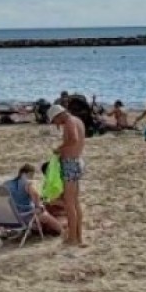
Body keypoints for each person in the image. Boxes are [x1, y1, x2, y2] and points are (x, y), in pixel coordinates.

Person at [52, 104, 86, 248]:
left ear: (59, 116)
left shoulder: (70, 122)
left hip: (70, 164)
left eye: (56, 121)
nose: (57, 124)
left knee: (69, 203)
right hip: (77, 161)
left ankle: (72, 238)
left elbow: (73, 139)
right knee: (75, 202)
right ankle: (78, 237)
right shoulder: (77, 120)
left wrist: (59, 148)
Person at [6, 164, 64, 237]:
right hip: (25, 216)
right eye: (32, 175)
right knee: (45, 215)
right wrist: (39, 205)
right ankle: (61, 231)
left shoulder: (7, 184)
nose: (32, 177)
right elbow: (35, 195)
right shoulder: (26, 183)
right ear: (29, 173)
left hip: (11, 218)